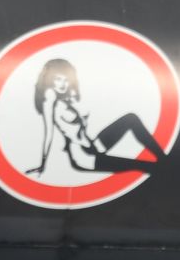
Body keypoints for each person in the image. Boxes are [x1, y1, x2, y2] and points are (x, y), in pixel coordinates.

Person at [24, 58, 169, 178]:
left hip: (94, 146)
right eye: (57, 79)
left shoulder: (65, 100)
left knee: (131, 119)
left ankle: (165, 158)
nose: (63, 84)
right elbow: (49, 133)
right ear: (49, 80)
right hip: (84, 157)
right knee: (147, 167)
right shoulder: (49, 98)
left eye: (66, 80)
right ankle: (166, 162)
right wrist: (43, 163)